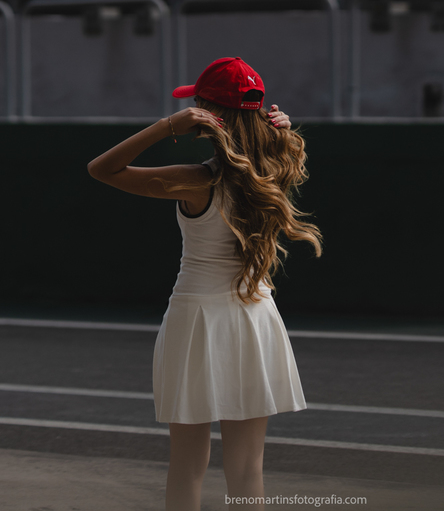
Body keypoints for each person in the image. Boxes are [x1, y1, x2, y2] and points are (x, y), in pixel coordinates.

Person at [87, 56, 323, 511]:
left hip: (196, 320)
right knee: (247, 467)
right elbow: (280, 145)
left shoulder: (196, 180)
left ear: (204, 115)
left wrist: (165, 127)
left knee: (188, 465)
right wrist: (283, 132)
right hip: (256, 319)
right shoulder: (274, 167)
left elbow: (101, 169)